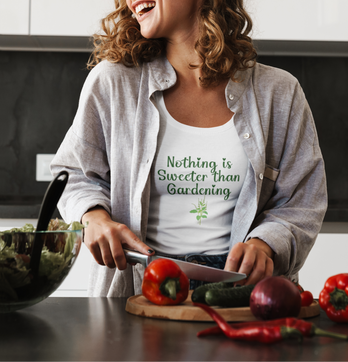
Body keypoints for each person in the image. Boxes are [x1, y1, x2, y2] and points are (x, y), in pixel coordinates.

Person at [50, 0, 327, 297]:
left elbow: (302, 202)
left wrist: (266, 244)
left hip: (241, 296)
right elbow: (73, 172)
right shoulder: (113, 82)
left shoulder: (279, 93)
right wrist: (94, 217)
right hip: (139, 289)